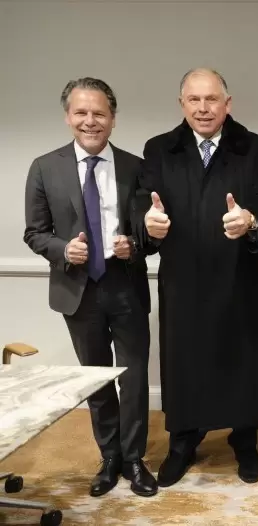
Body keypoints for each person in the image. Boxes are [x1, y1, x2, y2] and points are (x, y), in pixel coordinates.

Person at [134, 68, 258, 487]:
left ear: (227, 104)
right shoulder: (160, 150)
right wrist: (148, 223)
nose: (203, 108)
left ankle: (245, 440)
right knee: (187, 364)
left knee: (244, 363)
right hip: (184, 281)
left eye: (212, 99)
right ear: (182, 104)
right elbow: (140, 201)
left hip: (241, 280)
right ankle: (183, 441)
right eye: (194, 100)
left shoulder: (254, 148)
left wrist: (251, 219)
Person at [23, 77, 155, 497]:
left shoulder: (137, 167)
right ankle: (109, 457)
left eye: (99, 113)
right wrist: (64, 250)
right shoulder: (44, 167)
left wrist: (134, 244)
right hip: (78, 289)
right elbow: (35, 232)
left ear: (113, 119)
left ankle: (134, 459)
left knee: (133, 378)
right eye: (81, 112)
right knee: (96, 379)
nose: (90, 121)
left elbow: (152, 234)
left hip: (125, 283)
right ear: (68, 117)